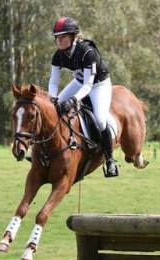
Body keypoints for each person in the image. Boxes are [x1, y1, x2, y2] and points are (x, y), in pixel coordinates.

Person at [48, 16, 118, 177]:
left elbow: (89, 85)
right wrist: (53, 99)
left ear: (73, 37)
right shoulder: (58, 55)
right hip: (79, 82)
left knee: (100, 119)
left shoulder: (87, 52)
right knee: (54, 109)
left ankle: (110, 160)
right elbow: (53, 82)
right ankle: (47, 152)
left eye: (63, 37)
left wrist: (73, 100)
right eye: (57, 37)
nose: (59, 41)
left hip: (98, 85)